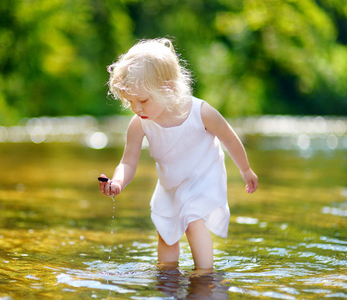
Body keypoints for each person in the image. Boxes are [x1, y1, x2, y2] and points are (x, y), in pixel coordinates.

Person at [98, 38, 258, 271]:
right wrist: (118, 182)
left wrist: (245, 169)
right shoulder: (139, 123)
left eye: (142, 100)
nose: (136, 108)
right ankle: (168, 277)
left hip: (203, 177)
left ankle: (205, 277)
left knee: (193, 221)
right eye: (130, 101)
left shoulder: (200, 112)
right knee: (166, 233)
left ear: (169, 88)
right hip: (171, 183)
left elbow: (229, 138)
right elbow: (128, 161)